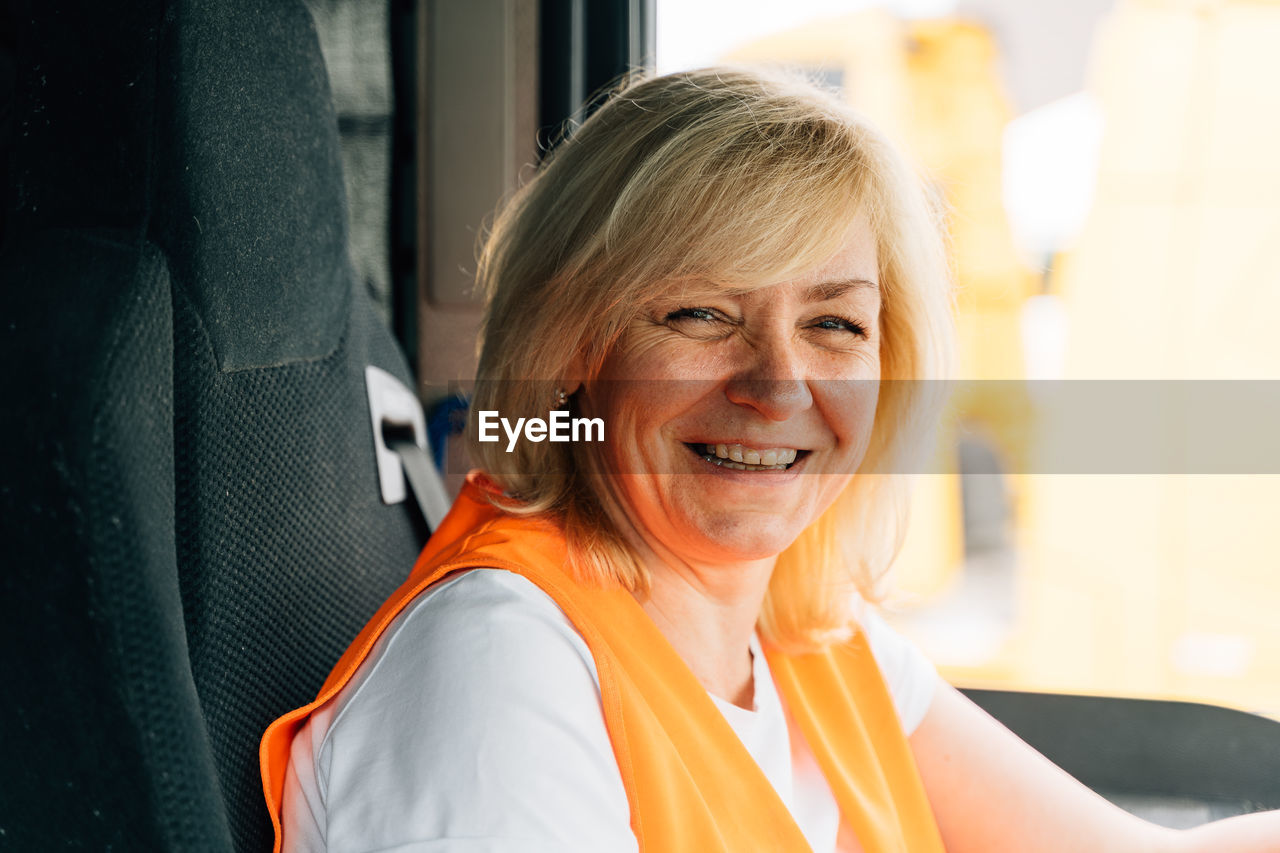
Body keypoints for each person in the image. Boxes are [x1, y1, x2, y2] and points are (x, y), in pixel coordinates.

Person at [259, 67, 1280, 852]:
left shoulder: (810, 634)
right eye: (700, 313)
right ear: (575, 348)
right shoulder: (495, 672)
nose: (778, 384)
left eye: (835, 324)